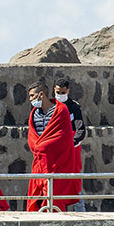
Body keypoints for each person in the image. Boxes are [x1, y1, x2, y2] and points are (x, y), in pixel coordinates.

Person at [25, 80, 77, 212]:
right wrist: (38, 147)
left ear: (41, 95)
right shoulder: (34, 114)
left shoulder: (60, 110)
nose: (30, 99)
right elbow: (32, 137)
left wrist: (42, 147)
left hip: (56, 163)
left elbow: (62, 136)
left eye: (32, 96)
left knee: (54, 196)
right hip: (40, 163)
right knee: (36, 198)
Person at [54, 77, 87, 211]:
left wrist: (71, 142)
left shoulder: (74, 107)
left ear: (68, 91)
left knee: (74, 180)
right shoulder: (51, 107)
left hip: (72, 151)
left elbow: (81, 129)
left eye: (62, 92)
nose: (60, 95)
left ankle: (80, 211)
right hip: (55, 152)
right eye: (57, 92)